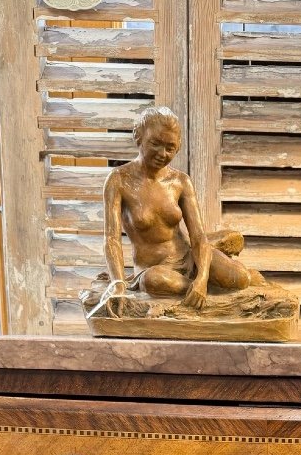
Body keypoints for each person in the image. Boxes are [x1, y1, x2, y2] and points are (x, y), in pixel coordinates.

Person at [101, 105, 262, 313]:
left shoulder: (180, 181)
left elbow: (198, 237)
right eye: (155, 144)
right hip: (153, 269)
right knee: (153, 281)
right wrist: (118, 285)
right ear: (138, 137)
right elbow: (111, 240)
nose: (162, 153)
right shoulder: (119, 180)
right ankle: (202, 290)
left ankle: (205, 283)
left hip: (188, 257)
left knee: (241, 279)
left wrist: (202, 278)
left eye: (170, 147)